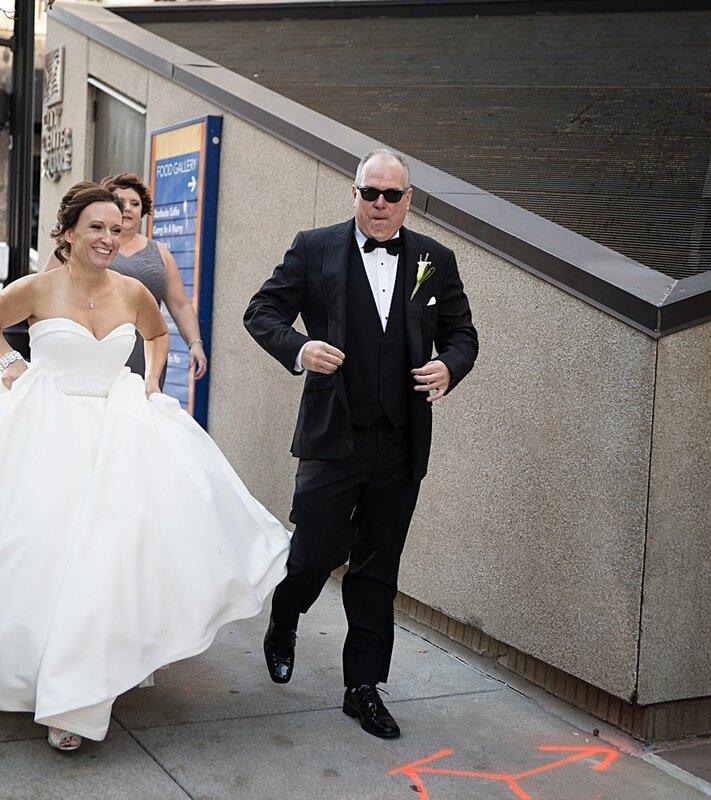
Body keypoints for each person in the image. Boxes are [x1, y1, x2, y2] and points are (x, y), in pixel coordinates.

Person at [0, 182, 290, 752]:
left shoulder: (135, 291)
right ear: (67, 232)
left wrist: (153, 378)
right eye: (97, 227)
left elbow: (157, 332)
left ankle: (80, 696)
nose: (108, 238)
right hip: (44, 429)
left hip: (120, 433)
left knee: (111, 558)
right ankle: (35, 670)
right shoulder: (36, 288)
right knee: (35, 555)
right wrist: (11, 362)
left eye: (116, 229)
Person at [244, 148, 478, 739]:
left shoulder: (434, 259)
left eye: (391, 195)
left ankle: (363, 687)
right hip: (332, 434)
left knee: (376, 566)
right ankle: (285, 615)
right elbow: (262, 310)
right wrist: (299, 349)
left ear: (408, 200)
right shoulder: (314, 246)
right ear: (354, 193)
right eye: (369, 193)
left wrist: (449, 367)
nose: (379, 204)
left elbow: (462, 333)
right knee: (315, 553)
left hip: (401, 442)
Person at [42, 172, 207, 385]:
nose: (127, 207)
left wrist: (194, 342)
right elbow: (44, 291)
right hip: (96, 345)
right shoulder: (82, 247)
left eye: (135, 203)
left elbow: (180, 304)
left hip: (146, 349)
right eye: (121, 202)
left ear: (143, 210)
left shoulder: (160, 253)